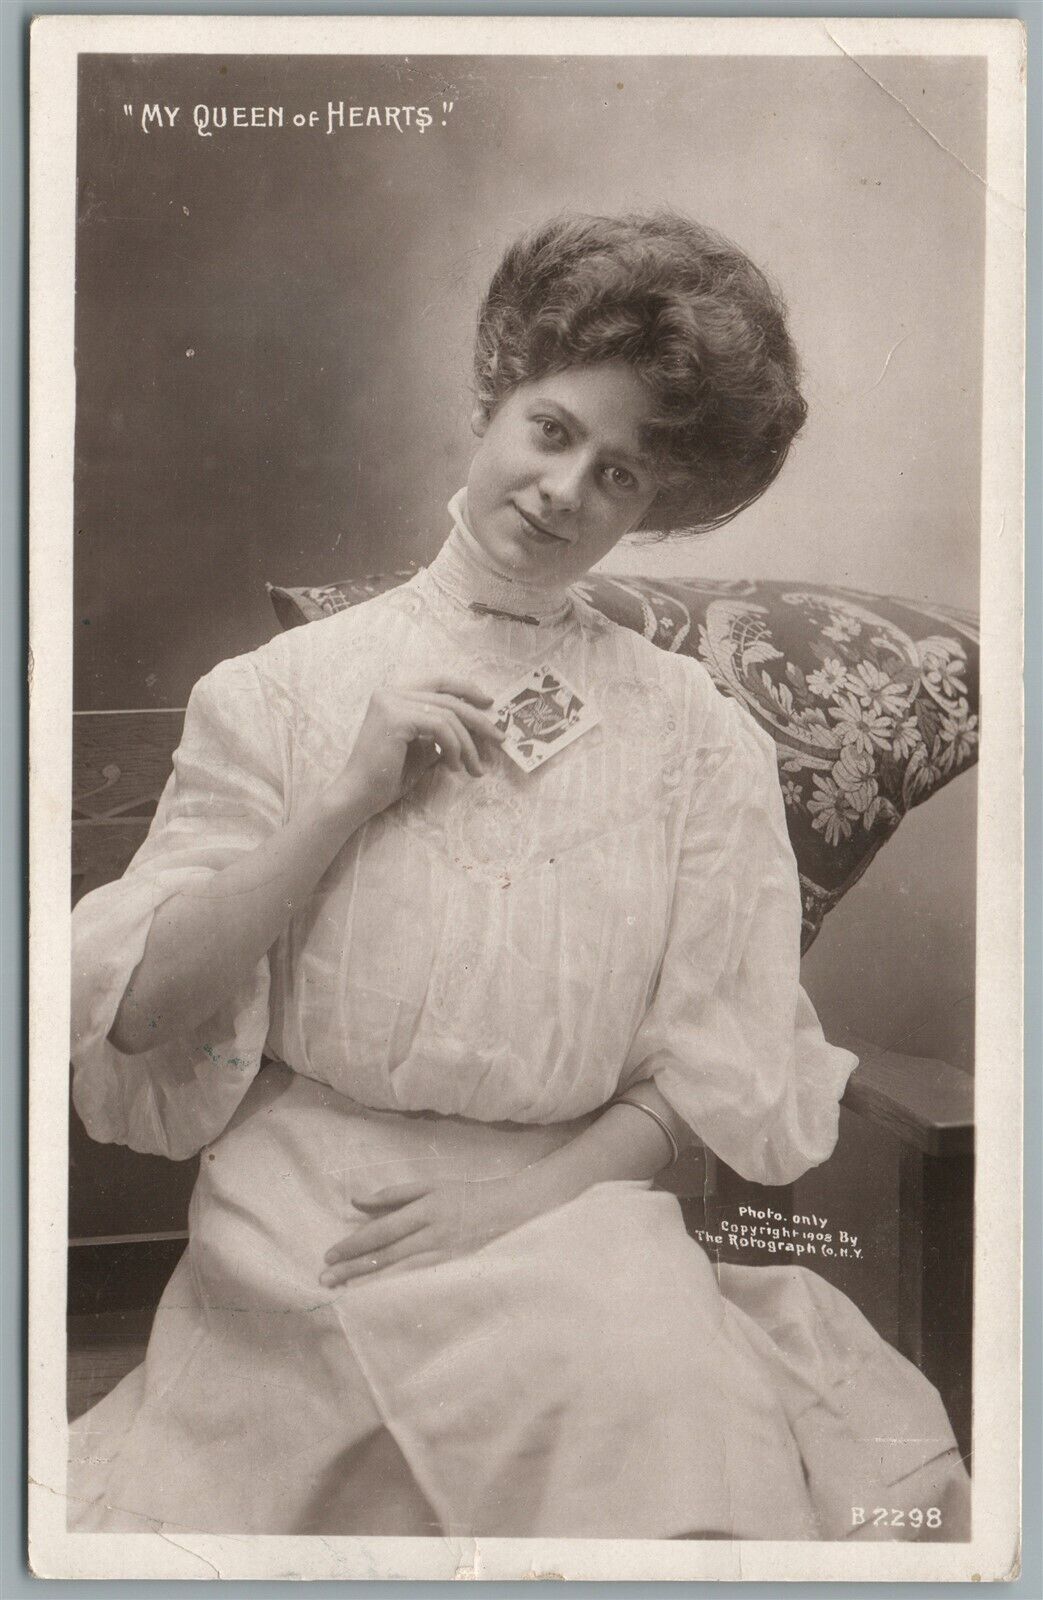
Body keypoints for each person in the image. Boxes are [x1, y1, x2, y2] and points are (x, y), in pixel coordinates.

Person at [68, 212, 970, 1541]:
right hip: (310, 1205)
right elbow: (141, 1017)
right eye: (553, 433)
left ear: (655, 507)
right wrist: (340, 802)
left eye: (619, 477)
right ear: (494, 402)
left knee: (660, 1429)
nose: (564, 492)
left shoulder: (693, 730)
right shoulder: (277, 693)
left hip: (576, 1206)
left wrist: (520, 1201)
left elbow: (707, 1064)